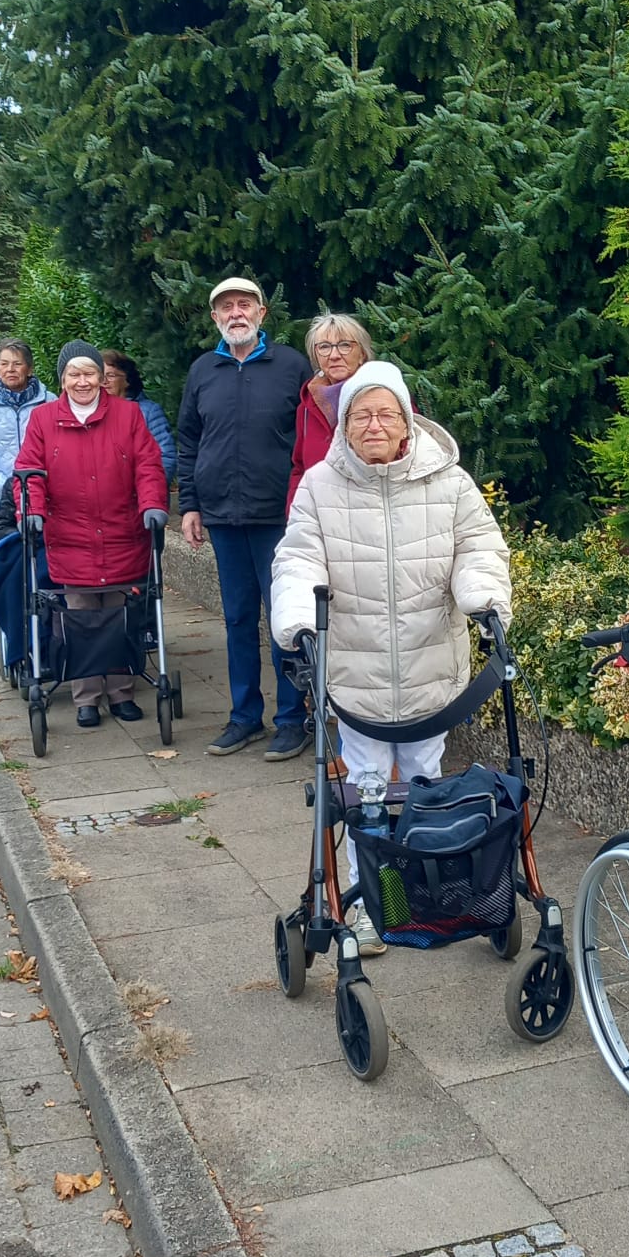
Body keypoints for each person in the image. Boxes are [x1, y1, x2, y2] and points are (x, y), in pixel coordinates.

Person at [272, 360, 512, 955]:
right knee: (368, 789)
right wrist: (296, 618)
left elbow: (479, 548)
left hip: (432, 667)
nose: (374, 425)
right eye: (361, 415)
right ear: (344, 425)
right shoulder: (319, 486)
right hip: (355, 670)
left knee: (426, 782)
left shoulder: (449, 481)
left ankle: (431, 891)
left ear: (407, 421)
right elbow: (298, 558)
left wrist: (482, 597)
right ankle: (374, 906)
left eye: (386, 414)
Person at [177, 277, 311, 761]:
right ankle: (244, 717)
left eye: (244, 305)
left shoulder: (292, 366)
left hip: (279, 516)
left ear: (261, 313)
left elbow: (310, 436)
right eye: (226, 307)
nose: (236, 313)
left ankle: (292, 720)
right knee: (236, 619)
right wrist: (190, 505)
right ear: (215, 317)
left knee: (284, 620)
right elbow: (188, 440)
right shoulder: (203, 370)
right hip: (222, 515)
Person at [13, 341, 169, 727]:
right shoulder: (43, 419)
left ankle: (121, 694)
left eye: (89, 373)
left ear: (102, 378)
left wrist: (152, 504)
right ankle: (86, 698)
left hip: (121, 535)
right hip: (70, 537)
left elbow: (148, 465)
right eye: (74, 374)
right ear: (62, 380)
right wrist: (31, 511)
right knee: (79, 618)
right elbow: (29, 472)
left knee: (119, 617)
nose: (82, 381)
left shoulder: (128, 415)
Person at [0, 339, 57, 544]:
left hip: (46, 496)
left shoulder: (49, 401)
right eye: (4, 363)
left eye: (17, 363)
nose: (10, 369)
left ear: (29, 368)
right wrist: (6, 486)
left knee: (47, 553)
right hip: (4, 498)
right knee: (11, 555)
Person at [286, 314, 372, 513]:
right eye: (324, 347)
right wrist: (295, 512)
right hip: (318, 516)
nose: (334, 355)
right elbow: (300, 468)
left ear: (362, 354)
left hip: (366, 515)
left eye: (344, 345)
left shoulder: (384, 397)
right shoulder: (307, 407)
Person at [102, 351, 175, 480]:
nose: (104, 381)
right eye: (99, 376)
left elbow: (166, 458)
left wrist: (146, 488)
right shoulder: (89, 413)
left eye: (111, 375)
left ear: (127, 380)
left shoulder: (149, 412)